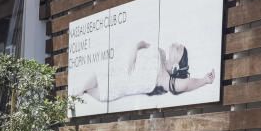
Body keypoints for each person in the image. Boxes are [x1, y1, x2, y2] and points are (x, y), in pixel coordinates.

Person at [77, 41, 216, 102]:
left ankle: (74, 95)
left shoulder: (164, 79)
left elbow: (186, 84)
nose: (178, 46)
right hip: (112, 70)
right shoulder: (160, 51)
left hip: (114, 86)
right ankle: (75, 94)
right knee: (81, 87)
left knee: (80, 90)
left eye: (180, 50)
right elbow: (141, 43)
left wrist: (204, 80)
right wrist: (134, 51)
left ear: (176, 66)